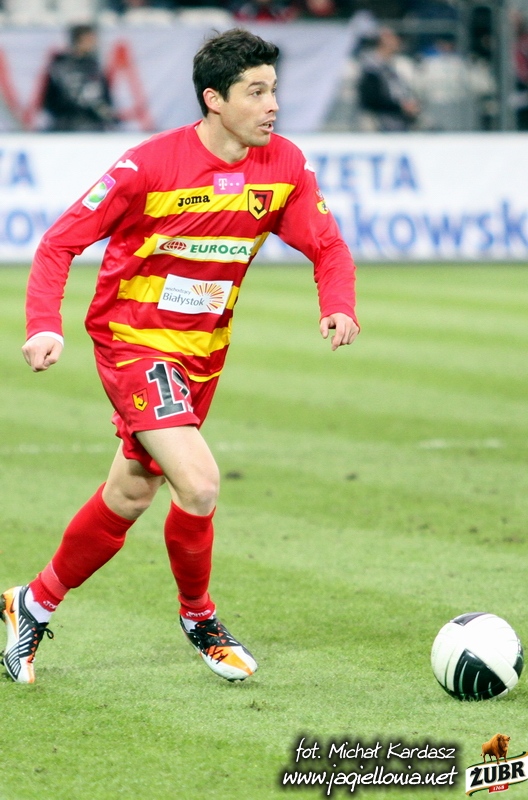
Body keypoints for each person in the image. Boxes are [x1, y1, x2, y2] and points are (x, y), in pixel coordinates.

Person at [1, 28, 359, 685]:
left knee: (131, 492)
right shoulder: (149, 167)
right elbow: (58, 243)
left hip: (203, 354)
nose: (272, 105)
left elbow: (327, 245)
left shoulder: (285, 165)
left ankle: (33, 601)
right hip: (134, 341)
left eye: (273, 90)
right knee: (199, 482)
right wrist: (44, 325)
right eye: (256, 92)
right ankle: (201, 618)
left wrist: (338, 303)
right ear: (214, 99)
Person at [41, 23, 118, 132]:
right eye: (89, 39)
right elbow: (50, 98)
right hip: (67, 127)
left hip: (94, 127)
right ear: (78, 40)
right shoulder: (61, 66)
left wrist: (105, 112)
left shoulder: (93, 65)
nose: (94, 43)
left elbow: (104, 95)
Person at [357, 26, 420, 131]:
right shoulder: (370, 66)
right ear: (383, 40)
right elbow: (371, 99)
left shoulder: (394, 64)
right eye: (393, 38)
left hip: (399, 120)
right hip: (380, 123)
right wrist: (401, 107)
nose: (398, 41)